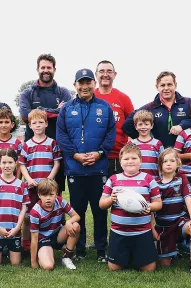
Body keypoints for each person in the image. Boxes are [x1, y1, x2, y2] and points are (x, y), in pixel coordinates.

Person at [56, 68, 116, 262]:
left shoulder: (105, 107)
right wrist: (76, 155)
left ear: (94, 84)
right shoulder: (66, 109)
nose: (85, 86)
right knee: (77, 212)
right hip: (76, 170)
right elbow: (61, 136)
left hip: (98, 170)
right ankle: (79, 250)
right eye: (81, 83)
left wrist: (99, 154)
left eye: (88, 82)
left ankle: (101, 250)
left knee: (100, 212)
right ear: (75, 85)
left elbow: (110, 135)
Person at [99, 144, 162, 271]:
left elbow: (159, 203)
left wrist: (149, 206)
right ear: (120, 162)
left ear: (141, 161)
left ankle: (136, 255)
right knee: (114, 268)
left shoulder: (148, 179)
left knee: (149, 269)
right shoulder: (113, 180)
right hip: (119, 232)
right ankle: (127, 256)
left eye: (134, 158)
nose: (130, 161)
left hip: (142, 232)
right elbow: (101, 204)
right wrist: (111, 199)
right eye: (126, 159)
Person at [19, 54, 70, 196]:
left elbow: (66, 114)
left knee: (55, 194)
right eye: (43, 67)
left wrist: (38, 111)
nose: (46, 70)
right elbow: (24, 115)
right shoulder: (27, 93)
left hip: (57, 149)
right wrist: (55, 111)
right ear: (37, 69)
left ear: (54, 69)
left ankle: (58, 219)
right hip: (33, 152)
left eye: (49, 67)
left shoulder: (63, 92)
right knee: (32, 197)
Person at [152, 148, 191, 277]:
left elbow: (188, 200)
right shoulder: (154, 183)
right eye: (165, 161)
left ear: (178, 163)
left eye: (172, 161)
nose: (168, 163)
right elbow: (151, 209)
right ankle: (175, 250)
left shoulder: (182, 179)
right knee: (165, 264)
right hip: (164, 227)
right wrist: (152, 228)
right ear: (160, 165)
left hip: (180, 222)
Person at [19, 109, 62, 253]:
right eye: (34, 123)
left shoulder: (52, 143)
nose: (37, 125)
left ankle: (53, 241)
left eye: (40, 122)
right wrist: (29, 179)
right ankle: (26, 244)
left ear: (46, 124)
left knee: (52, 214)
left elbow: (57, 163)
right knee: (27, 217)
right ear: (30, 126)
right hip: (32, 187)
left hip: (48, 188)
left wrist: (49, 179)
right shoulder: (27, 144)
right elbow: (22, 164)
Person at [0, 148, 29, 265]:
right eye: (4, 162)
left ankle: (7, 250)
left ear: (16, 163)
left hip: (14, 230)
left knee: (15, 263)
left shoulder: (21, 185)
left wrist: (18, 227)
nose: (7, 166)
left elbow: (24, 208)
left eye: (10, 162)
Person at [123, 71, 191, 149]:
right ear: (157, 87)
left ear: (175, 85)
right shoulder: (150, 108)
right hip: (161, 156)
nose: (166, 88)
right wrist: (145, 138)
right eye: (162, 85)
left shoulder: (188, 103)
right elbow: (127, 125)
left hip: (187, 155)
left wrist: (182, 126)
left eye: (169, 84)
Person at [30, 179, 81, 270]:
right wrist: (33, 262)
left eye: (51, 194)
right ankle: (42, 254)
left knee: (75, 225)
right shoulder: (35, 212)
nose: (48, 198)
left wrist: (68, 222)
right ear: (39, 195)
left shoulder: (60, 202)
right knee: (48, 266)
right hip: (43, 239)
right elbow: (34, 238)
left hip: (58, 235)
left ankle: (67, 257)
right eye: (44, 195)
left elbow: (76, 216)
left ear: (56, 194)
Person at [94, 60, 134, 176]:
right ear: (96, 75)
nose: (105, 74)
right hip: (96, 156)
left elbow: (133, 123)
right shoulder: (91, 97)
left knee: (118, 192)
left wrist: (130, 141)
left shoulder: (123, 98)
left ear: (114, 75)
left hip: (118, 156)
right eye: (101, 71)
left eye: (109, 71)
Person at [128, 110, 163, 177]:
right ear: (135, 126)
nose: (143, 127)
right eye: (140, 124)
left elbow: (162, 163)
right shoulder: (131, 144)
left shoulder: (158, 143)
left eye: (146, 124)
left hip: (154, 180)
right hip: (137, 181)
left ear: (151, 125)